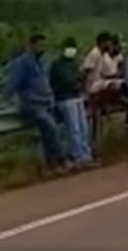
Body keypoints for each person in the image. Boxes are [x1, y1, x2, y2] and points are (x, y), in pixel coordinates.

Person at [3, 33, 67, 170]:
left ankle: (52, 163)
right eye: (39, 45)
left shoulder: (45, 61)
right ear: (31, 45)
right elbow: (13, 83)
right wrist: (4, 100)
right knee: (51, 127)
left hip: (46, 101)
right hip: (32, 103)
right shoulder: (23, 63)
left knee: (52, 131)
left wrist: (51, 97)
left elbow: (47, 81)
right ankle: (60, 159)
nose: (42, 48)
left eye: (44, 45)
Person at [50, 37, 94, 167]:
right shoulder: (57, 65)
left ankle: (86, 153)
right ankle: (77, 155)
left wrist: (79, 81)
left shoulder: (73, 64)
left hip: (76, 97)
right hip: (65, 98)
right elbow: (67, 80)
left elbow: (78, 79)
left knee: (83, 127)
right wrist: (78, 79)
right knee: (73, 128)